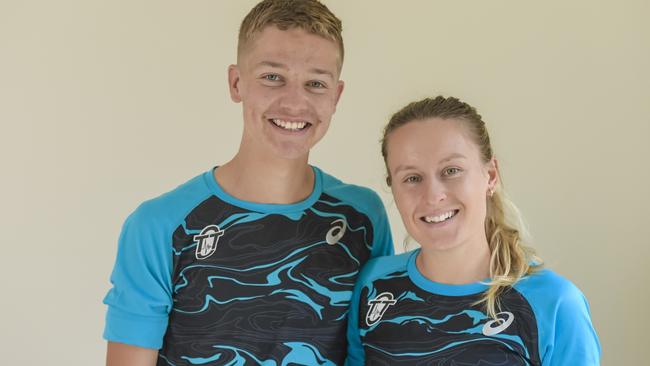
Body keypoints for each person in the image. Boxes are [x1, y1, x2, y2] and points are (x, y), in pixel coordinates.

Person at [103, 1, 394, 365]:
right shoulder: (158, 226)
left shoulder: (363, 219)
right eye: (273, 77)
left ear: (335, 96)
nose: (294, 102)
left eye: (315, 83)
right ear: (236, 82)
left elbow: (376, 350)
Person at [345, 96, 600, 365]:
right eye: (412, 178)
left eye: (451, 170)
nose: (433, 196)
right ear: (394, 189)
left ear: (490, 176)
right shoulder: (372, 285)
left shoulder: (555, 303)